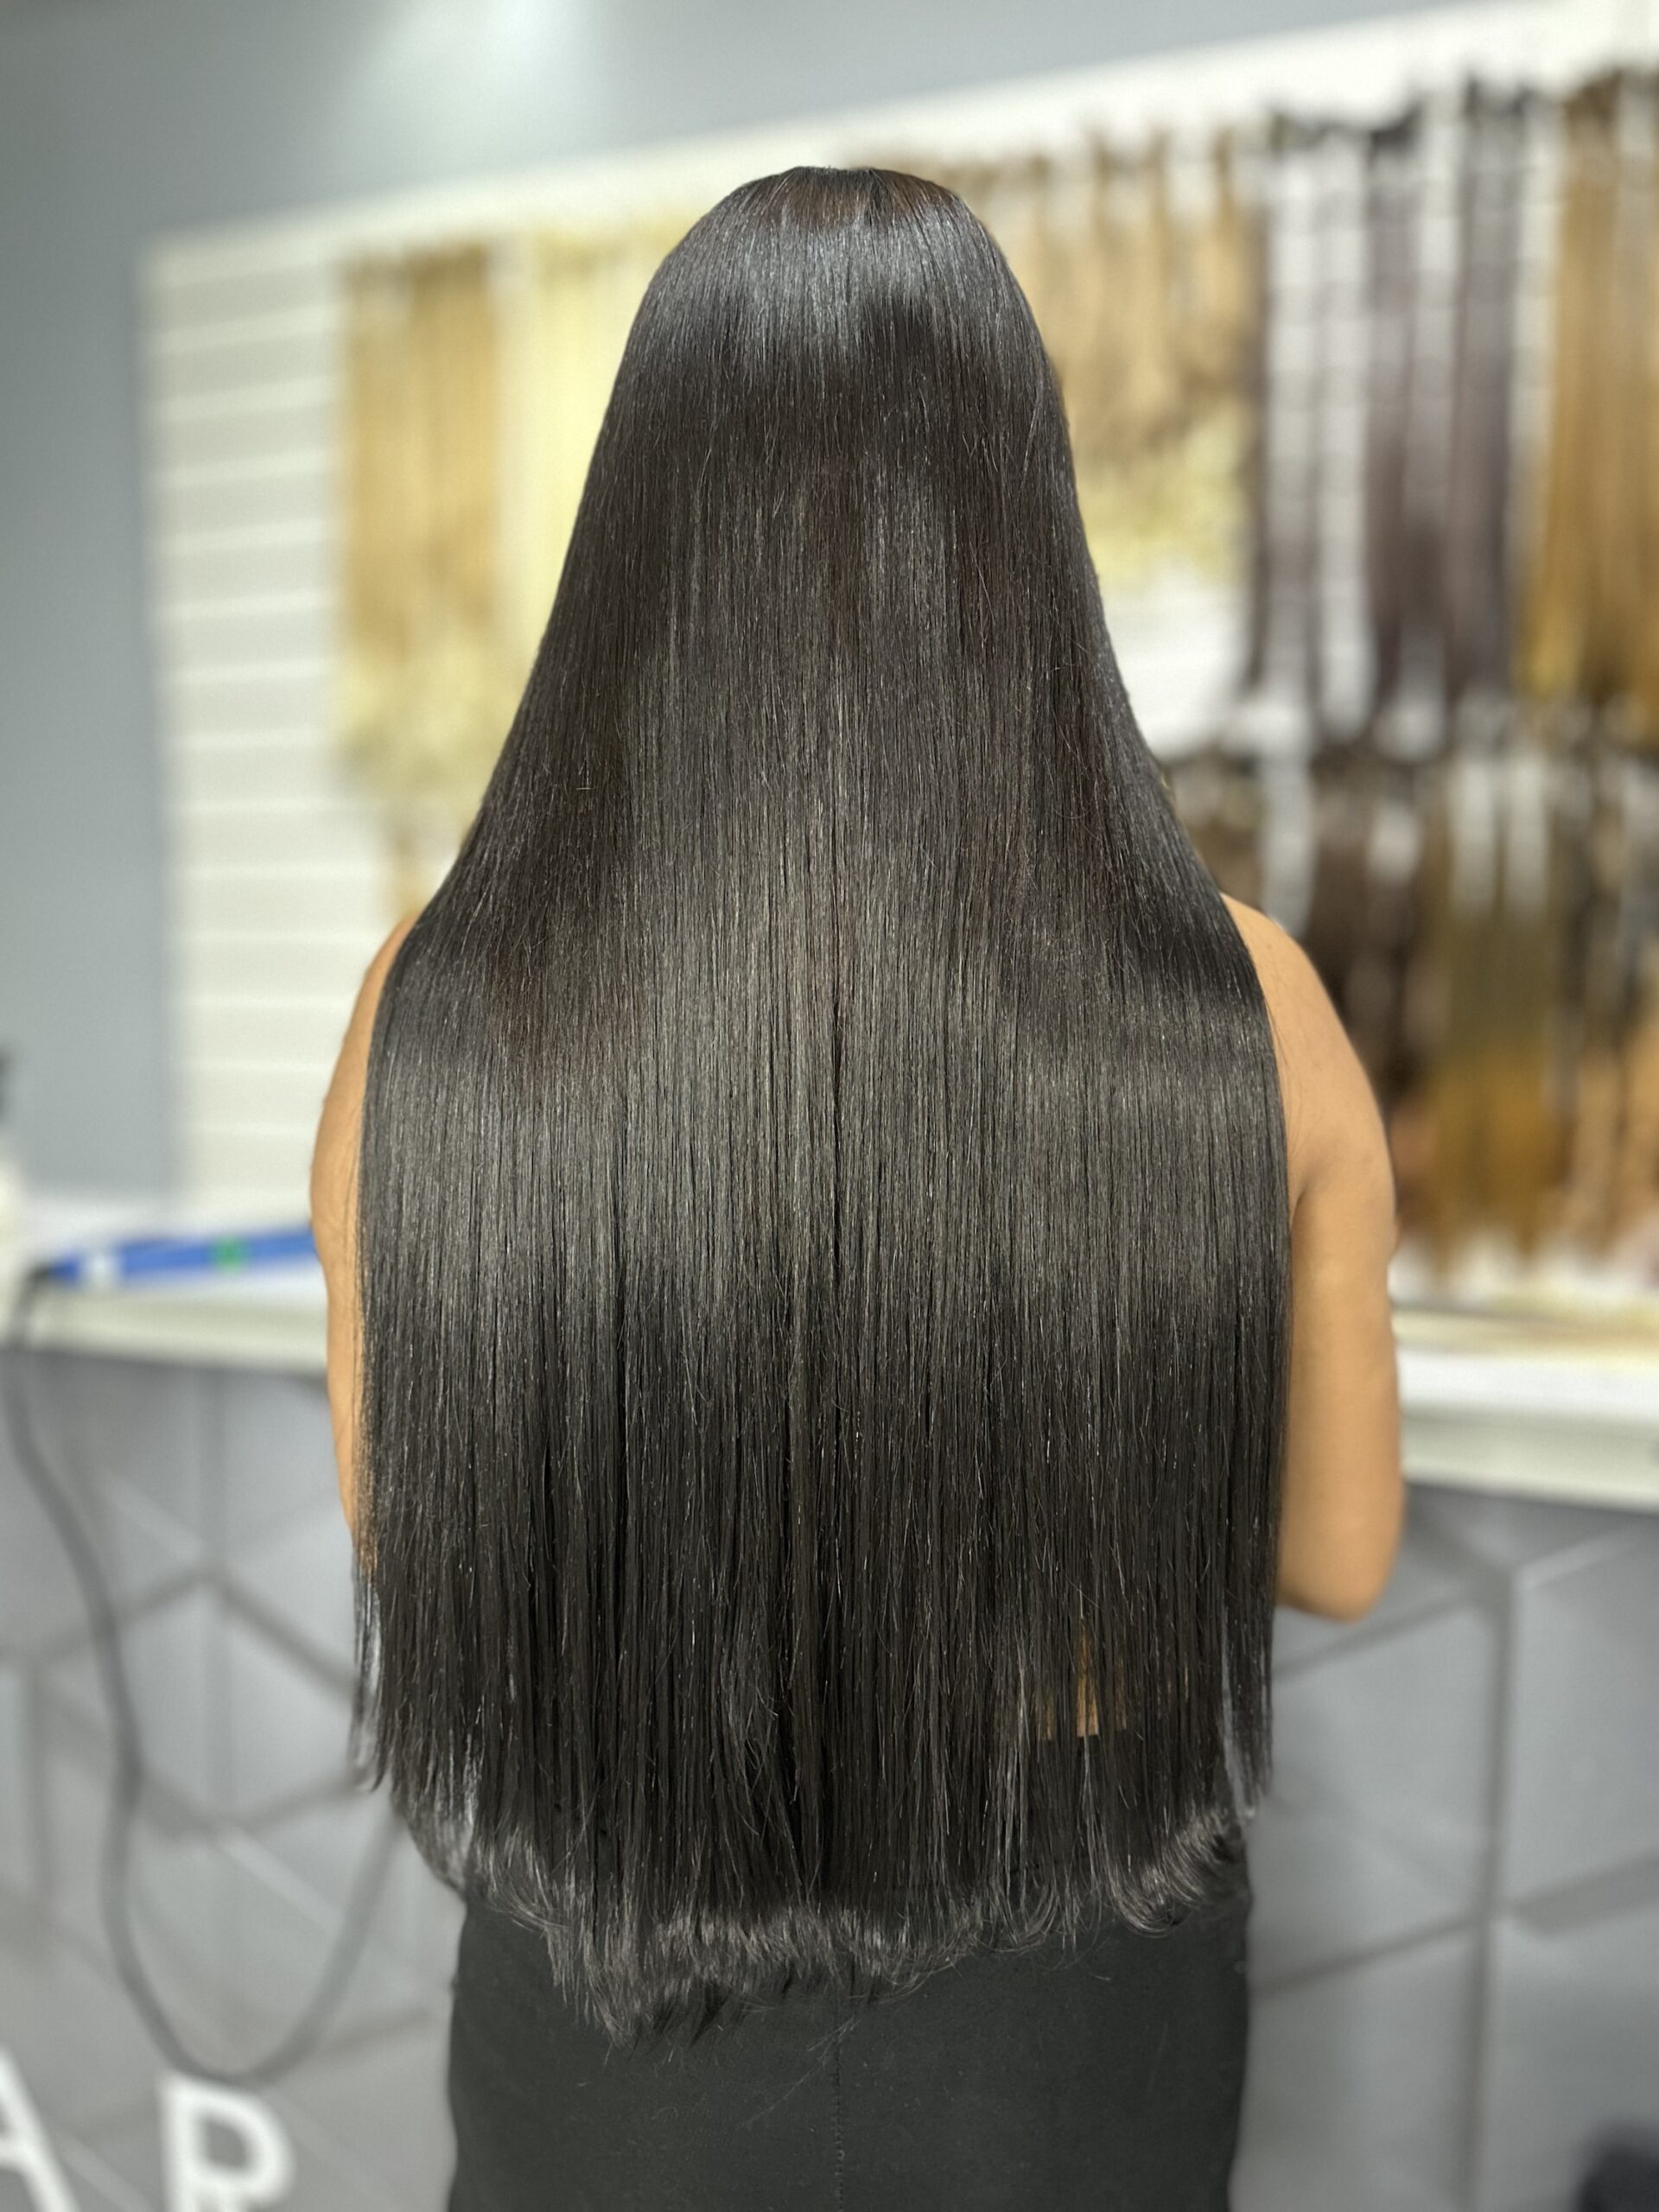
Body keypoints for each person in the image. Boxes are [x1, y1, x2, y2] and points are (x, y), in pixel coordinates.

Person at [309, 166, 1402, 2212]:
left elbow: (408, 1530)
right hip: (1066, 2011)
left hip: (606, 1986)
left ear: (640, 535)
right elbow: (1338, 1551)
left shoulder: (431, 1002)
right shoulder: (1241, 1004)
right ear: (1019, 522)